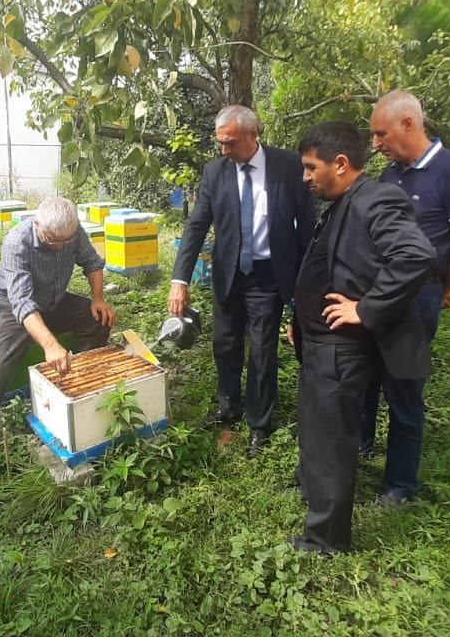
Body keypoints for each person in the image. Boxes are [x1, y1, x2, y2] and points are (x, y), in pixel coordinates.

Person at [287, 121, 434, 554]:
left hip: (342, 349)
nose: (305, 177)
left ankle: (326, 540)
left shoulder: (377, 198)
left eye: (311, 168)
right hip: (318, 343)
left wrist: (365, 309)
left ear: (341, 163)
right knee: (316, 431)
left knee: (332, 441)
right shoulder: (340, 200)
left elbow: (416, 255)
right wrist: (300, 316)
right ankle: (314, 496)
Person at [169, 105, 315, 457]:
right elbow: (196, 226)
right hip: (228, 274)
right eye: (220, 143)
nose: (224, 150)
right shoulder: (215, 172)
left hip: (268, 275)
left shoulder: (288, 166)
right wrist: (179, 279)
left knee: (263, 352)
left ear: (254, 135)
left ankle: (259, 423)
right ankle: (228, 405)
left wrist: (307, 279)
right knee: (225, 344)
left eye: (230, 143)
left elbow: (307, 225)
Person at [361, 90, 450, 504]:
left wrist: (443, 288)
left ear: (408, 124)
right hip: (379, 293)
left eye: (381, 134)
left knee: (404, 387)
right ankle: (360, 448)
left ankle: (399, 484)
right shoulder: (391, 175)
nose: (375, 143)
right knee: (366, 375)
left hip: (417, 298)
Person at [0, 197, 116, 483]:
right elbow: (22, 303)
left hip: (55, 302)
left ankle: (74, 386)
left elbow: (92, 262)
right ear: (37, 224)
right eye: (53, 241)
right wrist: (50, 345)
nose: (60, 247)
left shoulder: (71, 231)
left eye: (65, 241)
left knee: (98, 320)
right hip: (13, 308)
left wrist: (98, 299)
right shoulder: (17, 242)